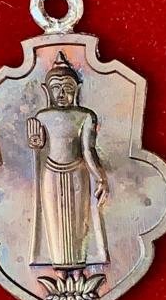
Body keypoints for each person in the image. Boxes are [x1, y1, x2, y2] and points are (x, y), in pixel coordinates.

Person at [27, 51, 109, 273]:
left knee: (78, 220)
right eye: (56, 88)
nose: (62, 93)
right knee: (53, 218)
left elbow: (88, 151)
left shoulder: (85, 116)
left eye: (67, 87)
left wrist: (100, 177)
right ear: (47, 91)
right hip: (50, 173)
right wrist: (35, 142)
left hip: (77, 172)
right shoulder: (43, 116)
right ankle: (57, 262)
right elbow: (38, 150)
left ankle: (78, 262)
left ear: (77, 90)